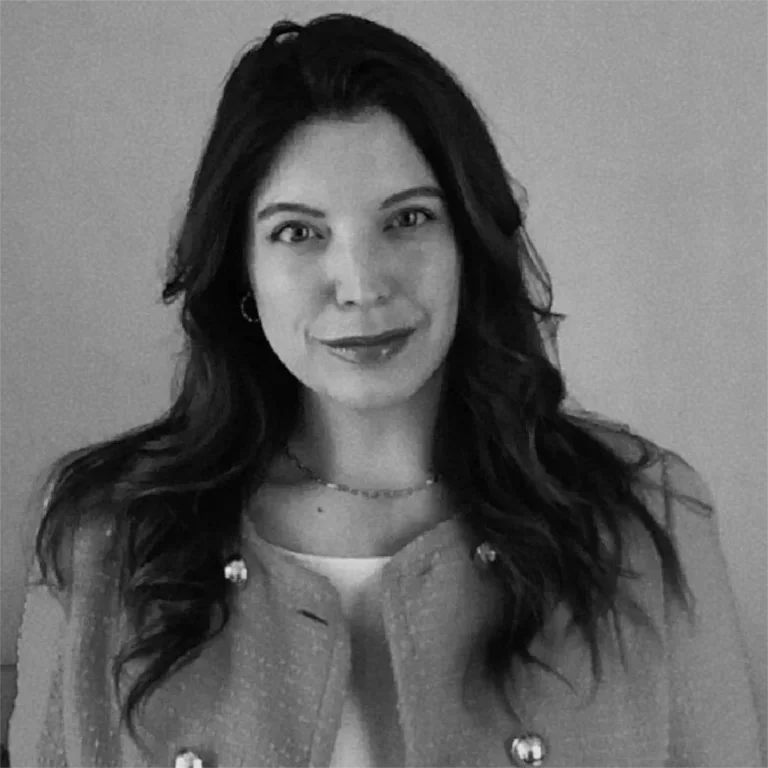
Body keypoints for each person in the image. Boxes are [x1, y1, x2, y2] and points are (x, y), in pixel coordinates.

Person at [9, 12, 763, 768]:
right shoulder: (104, 537)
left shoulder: (644, 518)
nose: (363, 285)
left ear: (467, 240)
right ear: (241, 267)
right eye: (299, 232)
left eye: (408, 219)